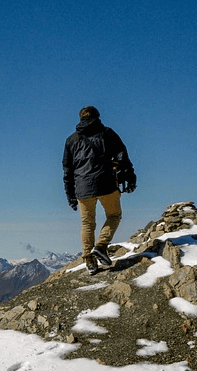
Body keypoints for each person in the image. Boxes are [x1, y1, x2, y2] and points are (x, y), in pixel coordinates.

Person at [63, 105, 136, 274]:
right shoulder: (107, 133)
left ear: (81, 119)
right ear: (97, 116)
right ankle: (101, 246)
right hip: (106, 184)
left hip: (82, 189)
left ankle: (89, 260)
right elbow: (122, 156)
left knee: (87, 223)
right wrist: (130, 177)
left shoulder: (71, 140)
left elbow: (67, 170)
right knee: (114, 215)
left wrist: (70, 195)